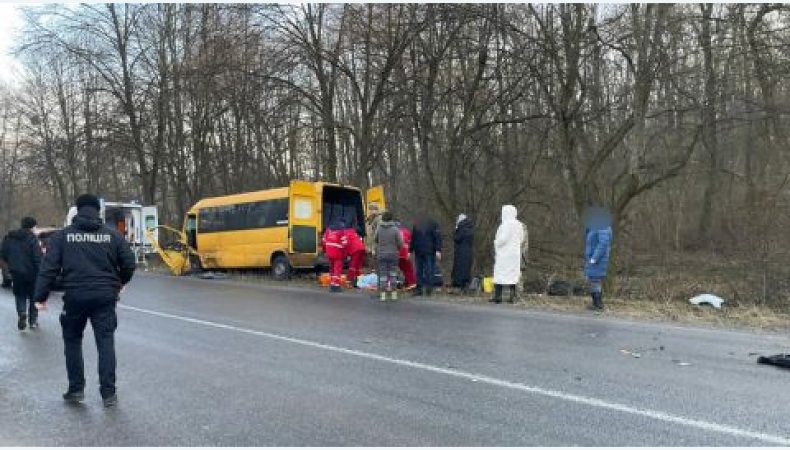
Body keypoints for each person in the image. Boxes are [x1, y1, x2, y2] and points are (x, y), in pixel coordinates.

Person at [33, 194, 136, 407]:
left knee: (72, 341)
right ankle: (109, 394)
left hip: (75, 296)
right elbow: (129, 262)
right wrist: (120, 282)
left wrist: (40, 297)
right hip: (105, 296)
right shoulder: (112, 235)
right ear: (97, 210)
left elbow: (49, 268)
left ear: (77, 210)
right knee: (105, 342)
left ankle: (76, 389)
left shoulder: (63, 236)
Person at [1, 217, 42, 330]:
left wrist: (10, 263)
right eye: (35, 226)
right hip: (32, 273)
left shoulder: (10, 237)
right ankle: (33, 321)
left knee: (20, 294)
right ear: (32, 227)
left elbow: (3, 252)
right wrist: (42, 272)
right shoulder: (32, 239)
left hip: (16, 272)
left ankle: (22, 313)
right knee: (34, 297)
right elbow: (37, 257)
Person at [490, 205, 525, 304]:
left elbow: (503, 239)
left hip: (504, 255)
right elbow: (522, 239)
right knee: (513, 276)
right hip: (515, 254)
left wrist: (496, 242)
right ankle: (512, 297)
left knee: (500, 275)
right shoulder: (519, 225)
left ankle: (498, 297)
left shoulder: (505, 224)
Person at [409, 214, 442, 297]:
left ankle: (425, 289)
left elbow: (437, 238)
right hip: (425, 250)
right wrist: (410, 250)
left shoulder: (425, 224)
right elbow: (413, 238)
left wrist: (438, 250)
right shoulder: (432, 224)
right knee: (426, 270)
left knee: (425, 270)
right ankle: (425, 289)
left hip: (425, 250)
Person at [375, 212, 403, 301]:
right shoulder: (395, 229)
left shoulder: (379, 228)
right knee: (393, 273)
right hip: (393, 254)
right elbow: (400, 242)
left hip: (381, 254)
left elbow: (375, 239)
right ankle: (394, 294)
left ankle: (383, 295)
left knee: (383, 274)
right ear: (391, 219)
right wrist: (397, 248)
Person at [584, 223, 613, 310]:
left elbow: (603, 243)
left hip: (598, 259)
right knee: (592, 280)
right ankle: (595, 303)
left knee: (595, 280)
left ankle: (598, 304)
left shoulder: (602, 226)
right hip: (593, 258)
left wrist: (595, 258)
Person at [321, 219, 347, 293]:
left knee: (332, 268)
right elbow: (345, 243)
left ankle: (332, 283)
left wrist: (325, 250)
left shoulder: (328, 230)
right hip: (337, 253)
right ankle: (335, 286)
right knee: (337, 269)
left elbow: (323, 241)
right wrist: (344, 253)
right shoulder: (341, 231)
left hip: (329, 252)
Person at [451, 214, 474, 293]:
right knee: (466, 269)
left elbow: (456, 238)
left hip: (461, 251)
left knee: (460, 268)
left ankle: (460, 287)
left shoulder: (461, 228)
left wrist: (456, 229)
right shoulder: (470, 228)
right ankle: (465, 285)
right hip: (468, 251)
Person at [397, 222, 416, 290]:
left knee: (392, 270)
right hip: (404, 254)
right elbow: (411, 242)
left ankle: (391, 285)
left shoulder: (393, 231)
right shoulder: (407, 232)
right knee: (408, 269)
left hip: (395, 254)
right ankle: (411, 283)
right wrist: (410, 252)